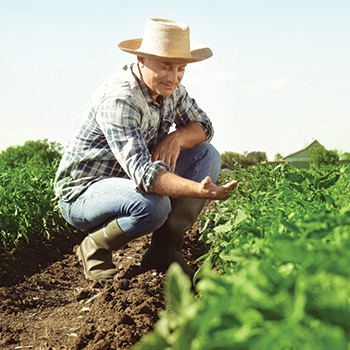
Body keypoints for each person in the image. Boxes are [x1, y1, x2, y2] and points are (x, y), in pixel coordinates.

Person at [54, 18, 238, 281]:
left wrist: (176, 138)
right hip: (85, 193)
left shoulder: (172, 89)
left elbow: (204, 126)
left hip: (127, 180)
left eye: (181, 68)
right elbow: (145, 175)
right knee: (153, 206)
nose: (173, 77)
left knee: (206, 154)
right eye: (165, 66)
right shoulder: (120, 100)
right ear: (141, 59)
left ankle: (164, 250)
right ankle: (95, 246)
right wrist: (198, 191)